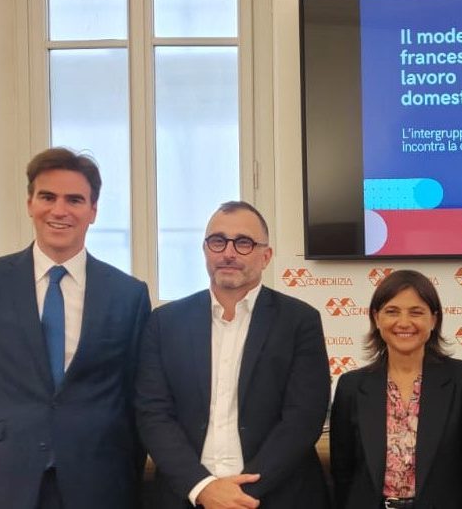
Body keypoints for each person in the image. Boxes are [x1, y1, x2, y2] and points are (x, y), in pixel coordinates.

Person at [0, 147, 152, 509]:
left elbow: (136, 396)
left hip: (100, 478)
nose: (59, 210)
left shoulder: (128, 294)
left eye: (74, 200)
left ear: (93, 211)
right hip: (4, 475)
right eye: (48, 197)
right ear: (30, 203)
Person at [136, 201, 330, 509]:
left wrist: (239, 494)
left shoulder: (299, 321)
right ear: (205, 250)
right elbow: (153, 414)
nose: (228, 253)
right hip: (187, 496)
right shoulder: (165, 322)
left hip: (274, 496)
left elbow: (303, 419)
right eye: (218, 241)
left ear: (265, 256)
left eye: (243, 242)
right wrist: (203, 488)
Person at [330, 269, 462, 508]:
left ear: (434, 319)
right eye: (392, 312)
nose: (404, 322)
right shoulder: (351, 386)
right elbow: (342, 472)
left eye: (416, 312)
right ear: (376, 318)